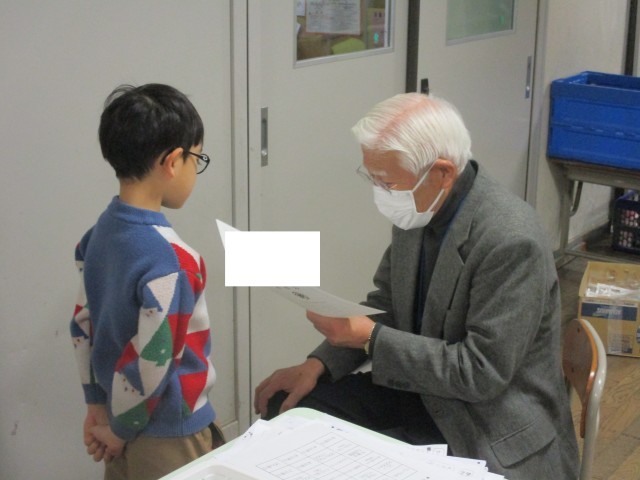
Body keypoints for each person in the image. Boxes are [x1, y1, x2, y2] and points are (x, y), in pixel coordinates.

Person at [254, 93, 580, 479]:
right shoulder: (420, 207)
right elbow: (388, 304)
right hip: (425, 392)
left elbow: (481, 372)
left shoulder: (511, 240)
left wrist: (370, 339)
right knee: (288, 407)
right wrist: (319, 363)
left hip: (488, 421)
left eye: (387, 182)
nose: (380, 192)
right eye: (372, 179)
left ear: (441, 173)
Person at [70, 84, 221, 480]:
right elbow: (155, 358)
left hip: (118, 418)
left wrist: (97, 406)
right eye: (196, 159)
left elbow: (82, 324)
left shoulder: (96, 237)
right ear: (172, 162)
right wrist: (119, 430)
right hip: (167, 432)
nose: (195, 171)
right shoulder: (175, 263)